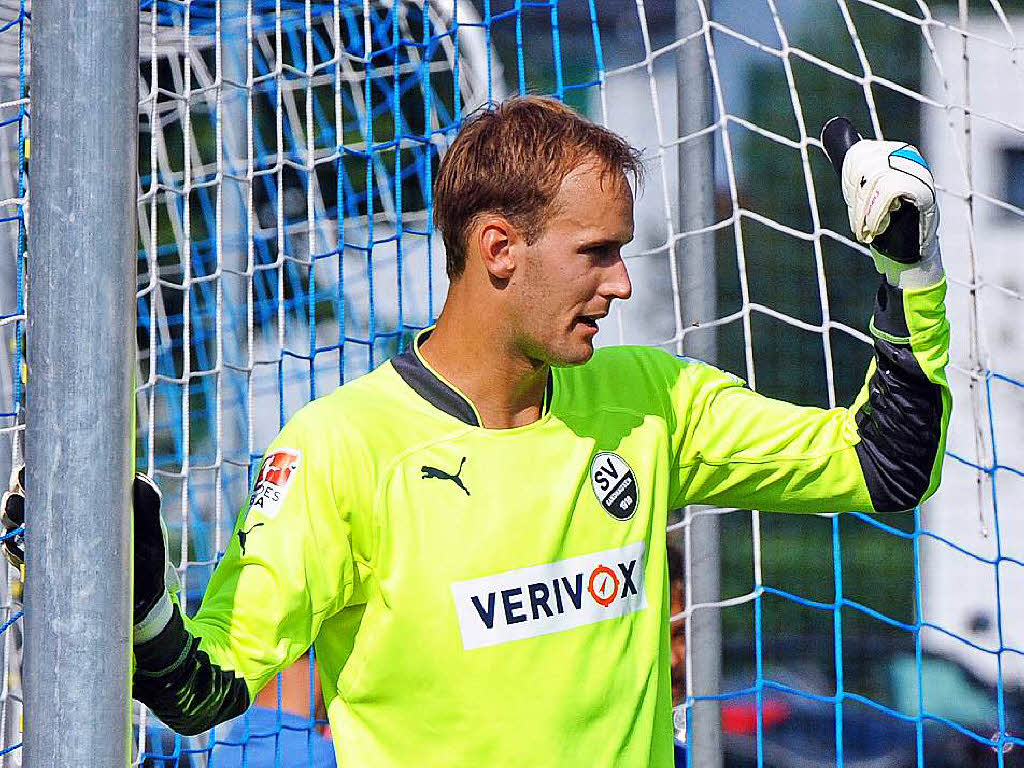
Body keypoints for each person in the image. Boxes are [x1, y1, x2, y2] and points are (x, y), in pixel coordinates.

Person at [5, 96, 950, 767]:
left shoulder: (651, 400)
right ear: (498, 249)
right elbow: (201, 693)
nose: (620, 284)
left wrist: (909, 272)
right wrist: (134, 609)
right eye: (597, 253)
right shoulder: (344, 448)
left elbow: (887, 465)